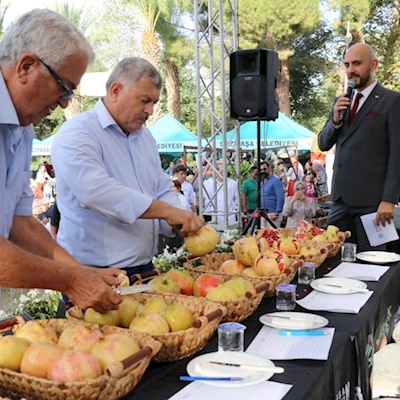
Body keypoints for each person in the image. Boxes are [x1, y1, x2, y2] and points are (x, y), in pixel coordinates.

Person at [0, 9, 123, 313]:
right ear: (26, 66)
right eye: (63, 86)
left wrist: (80, 272)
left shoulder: (22, 127)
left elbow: (18, 222)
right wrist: (72, 281)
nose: (66, 102)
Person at [52, 57, 204, 278]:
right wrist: (168, 211)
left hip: (145, 267)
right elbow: (96, 192)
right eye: (144, 100)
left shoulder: (145, 138)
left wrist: (177, 218)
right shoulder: (78, 132)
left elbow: (161, 187)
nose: (150, 111)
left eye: (154, 103)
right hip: (92, 272)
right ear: (115, 90)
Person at [318, 43, 400, 251]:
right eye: (346, 64)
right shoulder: (342, 101)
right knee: (331, 261)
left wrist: (389, 199)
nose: (350, 70)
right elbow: (323, 143)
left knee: (374, 265)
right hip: (339, 200)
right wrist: (335, 120)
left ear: (373, 64)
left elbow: (397, 154)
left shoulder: (391, 101)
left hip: (373, 204)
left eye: (356, 63)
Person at [260, 162, 285, 227]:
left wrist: (276, 213)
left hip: (273, 214)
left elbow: (280, 197)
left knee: (273, 235)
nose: (263, 171)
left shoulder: (275, 181)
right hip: (262, 214)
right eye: (261, 170)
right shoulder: (260, 182)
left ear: (269, 169)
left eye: (265, 169)